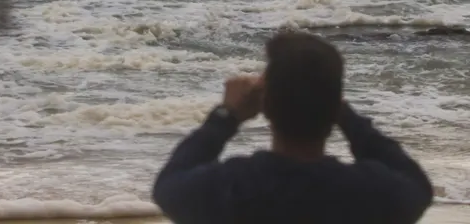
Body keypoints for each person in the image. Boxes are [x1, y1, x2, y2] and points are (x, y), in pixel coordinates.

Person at [152, 30, 434, 224]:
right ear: (334, 107)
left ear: (267, 106)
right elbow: (416, 184)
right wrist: (347, 116)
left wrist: (226, 115)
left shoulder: (233, 189)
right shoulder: (367, 194)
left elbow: (169, 184)